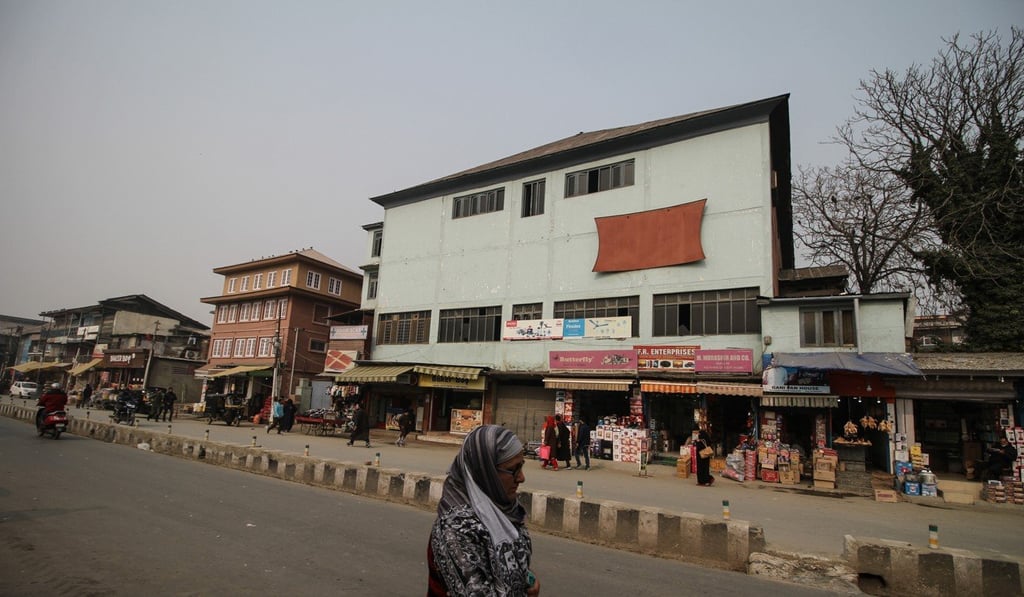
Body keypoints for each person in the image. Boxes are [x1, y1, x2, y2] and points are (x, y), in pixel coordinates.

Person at [427, 424, 540, 597]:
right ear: (486, 472)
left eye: (521, 466)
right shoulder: (455, 529)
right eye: (513, 470)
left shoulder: (505, 511)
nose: (521, 478)